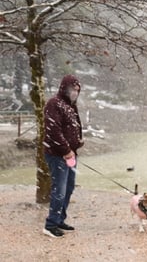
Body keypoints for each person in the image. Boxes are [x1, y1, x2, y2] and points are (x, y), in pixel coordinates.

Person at [43, 74, 84, 238]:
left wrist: (78, 142)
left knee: (68, 188)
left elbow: (74, 127)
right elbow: (53, 131)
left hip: (70, 155)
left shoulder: (71, 105)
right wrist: (66, 150)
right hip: (57, 155)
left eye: (78, 90)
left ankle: (60, 219)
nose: (75, 92)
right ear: (64, 88)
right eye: (73, 89)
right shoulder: (54, 104)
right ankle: (50, 225)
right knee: (59, 190)